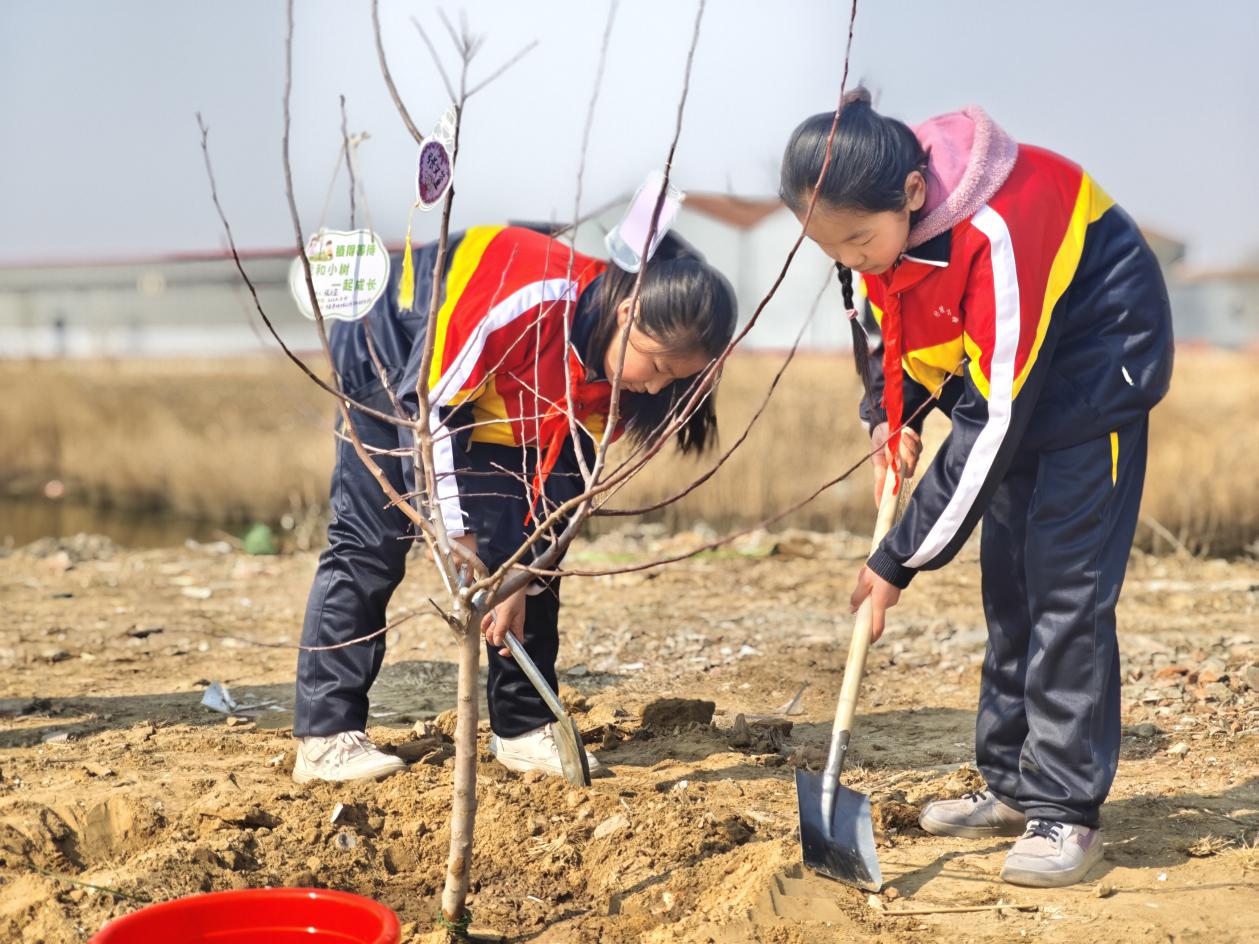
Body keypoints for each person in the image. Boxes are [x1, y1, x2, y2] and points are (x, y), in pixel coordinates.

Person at [780, 90, 1173, 887]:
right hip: (1013, 381)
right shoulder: (878, 244)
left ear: (913, 196)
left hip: (1091, 376)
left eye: (860, 240)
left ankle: (1065, 810)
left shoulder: (995, 229)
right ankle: (1011, 783)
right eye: (834, 250)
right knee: (1010, 590)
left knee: (1065, 593)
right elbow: (887, 325)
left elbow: (993, 419)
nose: (851, 259)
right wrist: (889, 415)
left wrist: (896, 561)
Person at [292, 223, 736, 785]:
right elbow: (430, 415)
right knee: (371, 541)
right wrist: (459, 536)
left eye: (679, 379)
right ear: (630, 313)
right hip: (398, 346)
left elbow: (560, 487)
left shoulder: (618, 383)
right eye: (660, 366)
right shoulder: (527, 301)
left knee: (533, 560)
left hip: (494, 390)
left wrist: (519, 573)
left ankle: (524, 728)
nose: (656, 388)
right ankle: (325, 736)